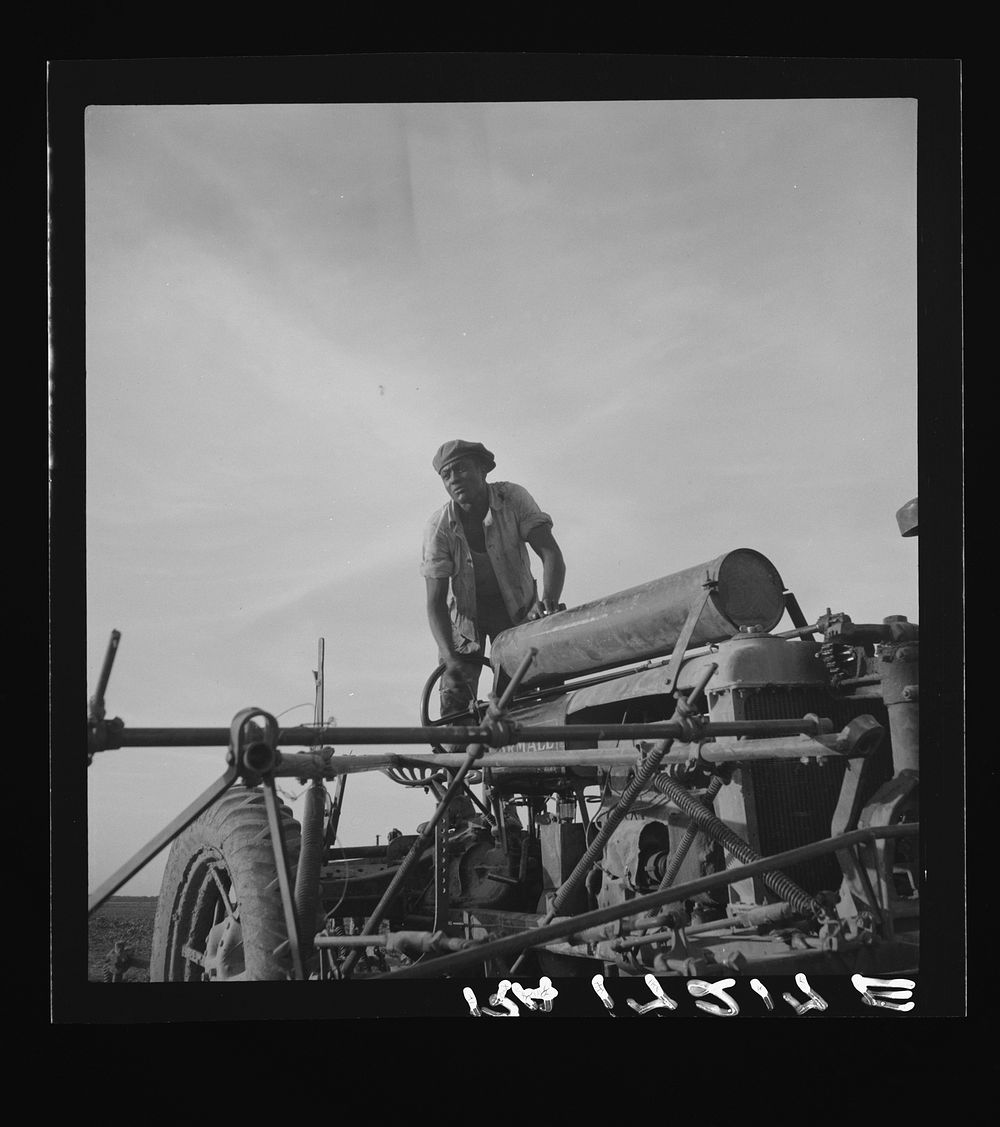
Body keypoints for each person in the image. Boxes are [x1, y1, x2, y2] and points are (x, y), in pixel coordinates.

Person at [420, 439, 566, 717]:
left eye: (461, 469)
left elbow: (551, 554)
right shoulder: (438, 528)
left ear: (482, 470)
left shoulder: (513, 499)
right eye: (446, 475)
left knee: (531, 693)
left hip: (517, 613)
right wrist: (450, 659)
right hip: (464, 622)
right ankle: (459, 753)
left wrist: (547, 602)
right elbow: (435, 603)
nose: (454, 480)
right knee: (455, 702)